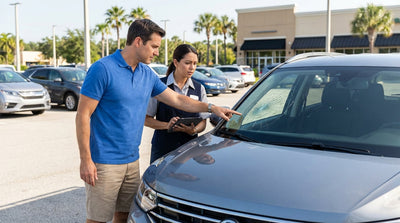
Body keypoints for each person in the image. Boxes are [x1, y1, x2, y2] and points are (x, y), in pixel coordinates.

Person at [75, 19, 240, 223]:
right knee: (98, 219)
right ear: (138, 41)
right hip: (104, 162)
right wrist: (86, 160)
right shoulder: (103, 69)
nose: (156, 52)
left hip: (131, 160)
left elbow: (178, 99)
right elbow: (83, 115)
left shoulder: (147, 73)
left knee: (124, 215)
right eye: (154, 46)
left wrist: (211, 107)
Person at [145, 44, 208, 163]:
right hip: (163, 149)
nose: (192, 67)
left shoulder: (200, 89)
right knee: (158, 181)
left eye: (195, 63)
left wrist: (194, 131)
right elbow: (146, 119)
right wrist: (166, 125)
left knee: (188, 180)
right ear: (176, 62)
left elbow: (203, 121)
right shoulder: (159, 86)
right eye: (188, 63)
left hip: (191, 150)